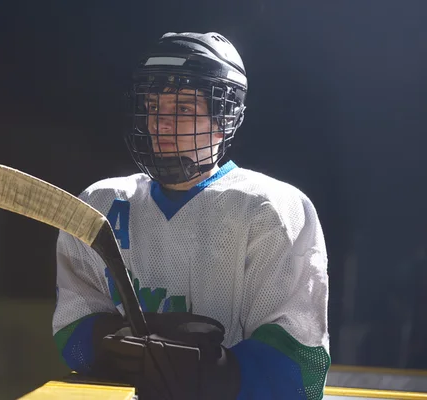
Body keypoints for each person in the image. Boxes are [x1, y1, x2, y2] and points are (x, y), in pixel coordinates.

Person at [52, 31, 330, 399]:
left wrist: (210, 373)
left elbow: (299, 368)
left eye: (182, 109)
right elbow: (73, 329)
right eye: (153, 107)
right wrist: (111, 345)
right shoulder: (102, 202)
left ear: (224, 116)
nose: (161, 124)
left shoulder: (273, 209)